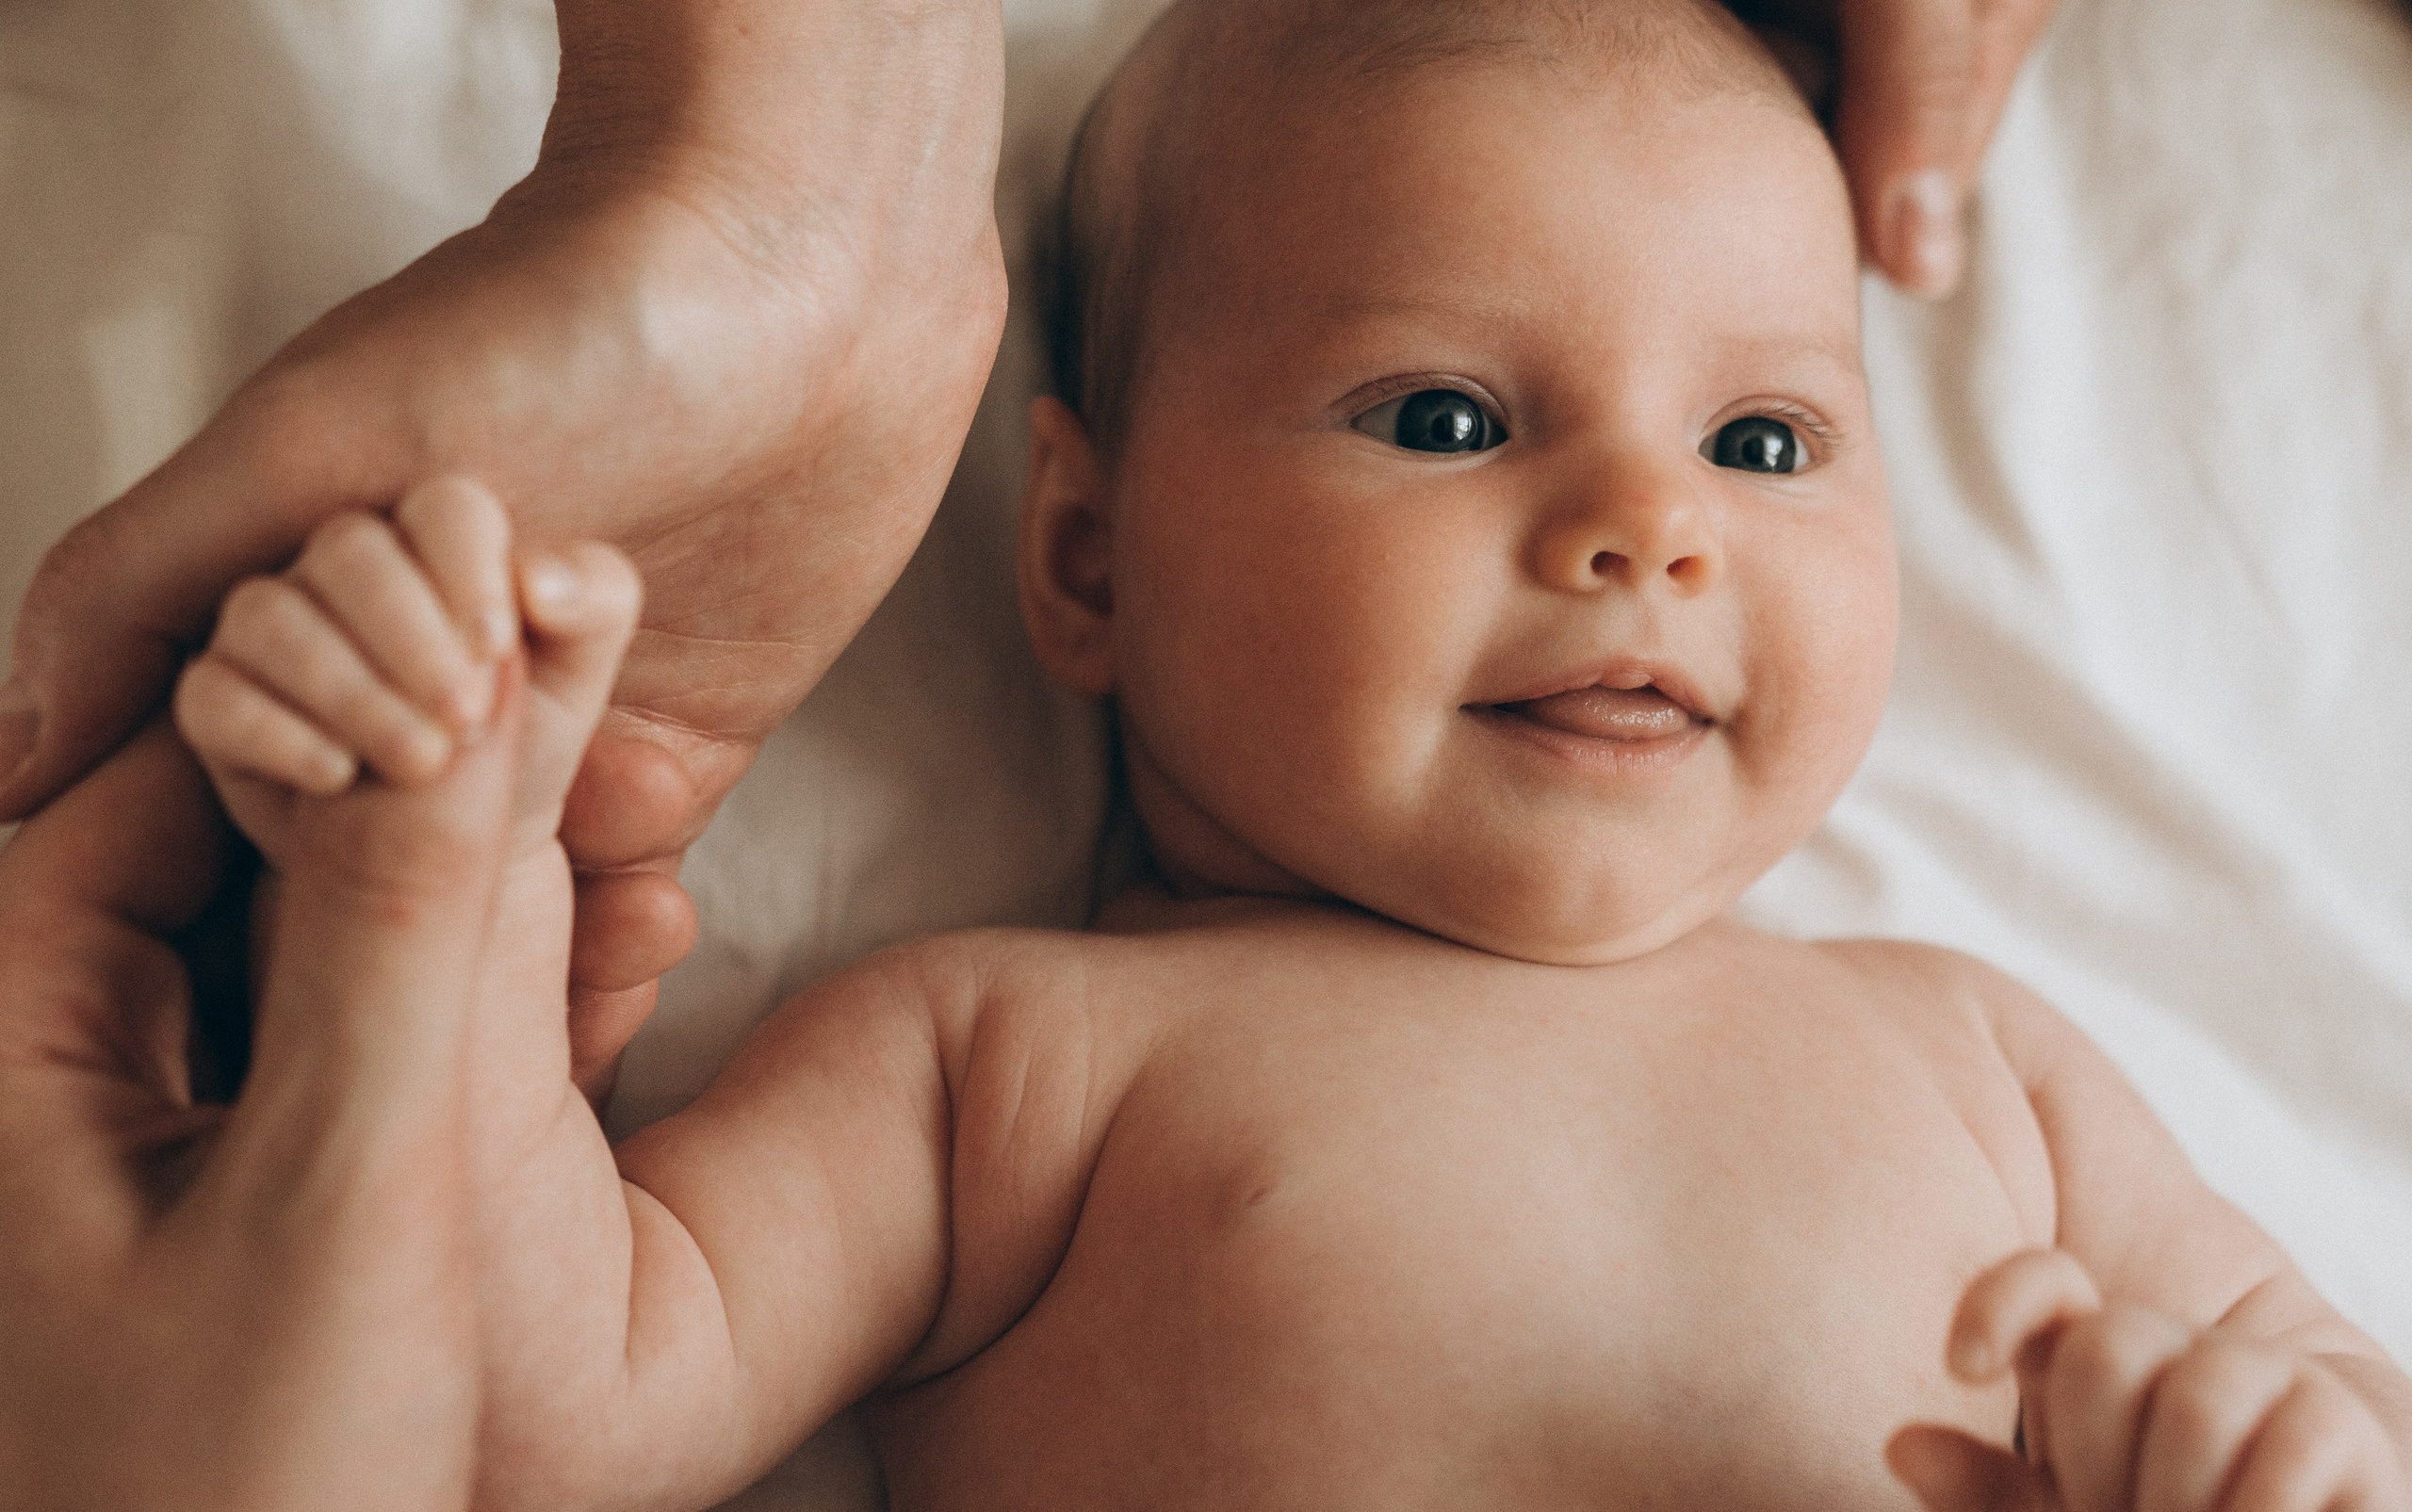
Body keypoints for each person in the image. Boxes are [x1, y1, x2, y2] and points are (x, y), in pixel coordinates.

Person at [163, 3, 2412, 1508]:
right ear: (1086, 549)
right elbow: (546, 1408)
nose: (1648, 526)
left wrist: (2274, 1450)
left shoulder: (1976, 1054)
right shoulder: (999, 1059)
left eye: (1759, 439)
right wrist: (451, 896)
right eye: (1445, 413)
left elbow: (2328, 1374)